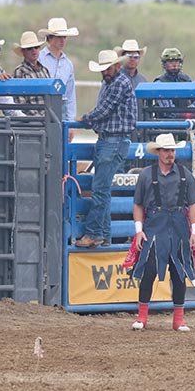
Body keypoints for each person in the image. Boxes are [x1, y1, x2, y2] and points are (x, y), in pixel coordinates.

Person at [130, 133, 195, 332]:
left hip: (178, 225)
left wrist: (194, 232)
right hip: (154, 225)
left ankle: (178, 319)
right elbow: (138, 205)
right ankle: (142, 316)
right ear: (158, 152)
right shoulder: (146, 174)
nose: (170, 154)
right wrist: (139, 231)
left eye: (172, 150)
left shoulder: (183, 173)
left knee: (179, 273)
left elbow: (194, 205)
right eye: (167, 150)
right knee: (149, 269)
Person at [74, 50, 136, 248]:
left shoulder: (118, 83)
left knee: (100, 189)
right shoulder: (115, 82)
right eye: (103, 69)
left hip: (112, 141)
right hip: (112, 141)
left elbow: (105, 109)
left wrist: (85, 118)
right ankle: (105, 235)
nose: (105, 72)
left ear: (117, 66)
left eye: (108, 68)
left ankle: (93, 233)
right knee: (104, 189)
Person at [38, 17, 79, 140]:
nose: (62, 40)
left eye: (64, 37)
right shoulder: (39, 58)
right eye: (59, 37)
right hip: (43, 106)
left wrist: (71, 123)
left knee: (61, 146)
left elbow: (70, 94)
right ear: (50, 38)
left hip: (63, 107)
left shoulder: (68, 64)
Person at [11, 31, 50, 115]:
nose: (34, 51)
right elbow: (20, 101)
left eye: (36, 47)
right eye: (29, 48)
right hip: (31, 121)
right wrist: (36, 117)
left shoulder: (45, 70)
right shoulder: (19, 71)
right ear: (23, 51)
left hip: (48, 118)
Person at [153, 47, 193, 117]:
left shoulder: (186, 80)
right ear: (164, 64)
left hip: (188, 122)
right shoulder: (159, 82)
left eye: (177, 61)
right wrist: (185, 115)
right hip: (165, 124)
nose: (174, 65)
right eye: (171, 61)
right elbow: (167, 110)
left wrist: (192, 111)